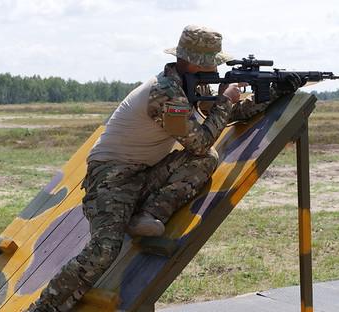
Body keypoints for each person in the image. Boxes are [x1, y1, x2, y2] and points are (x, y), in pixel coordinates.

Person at [27, 25, 302, 311]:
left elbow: (225, 118)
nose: (215, 67)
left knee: (205, 159)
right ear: (198, 63)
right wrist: (225, 99)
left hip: (143, 173)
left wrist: (275, 92)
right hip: (111, 178)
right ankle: (43, 308)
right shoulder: (165, 92)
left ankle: (149, 213)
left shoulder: (187, 85)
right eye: (212, 62)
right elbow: (201, 139)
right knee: (103, 251)